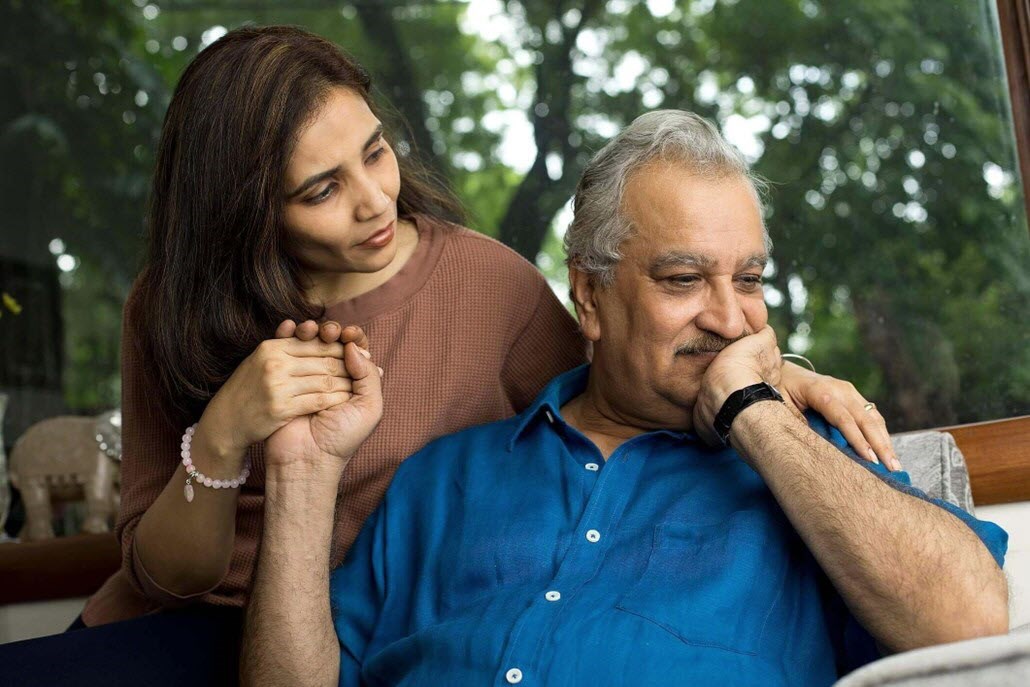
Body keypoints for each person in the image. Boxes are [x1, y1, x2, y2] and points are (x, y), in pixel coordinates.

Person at [0, 26, 890, 686]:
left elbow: (618, 376)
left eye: (376, 153)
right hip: (197, 630)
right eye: (321, 189)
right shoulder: (169, 306)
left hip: (344, 635)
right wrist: (226, 431)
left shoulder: (483, 280)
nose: (373, 198)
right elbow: (163, 573)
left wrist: (780, 376)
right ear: (246, 210)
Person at [241, 110, 1009, 687]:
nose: (729, 316)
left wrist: (757, 413)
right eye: (683, 280)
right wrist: (302, 477)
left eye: (748, 280)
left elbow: (969, 620)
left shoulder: (814, 468)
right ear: (591, 296)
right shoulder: (440, 482)